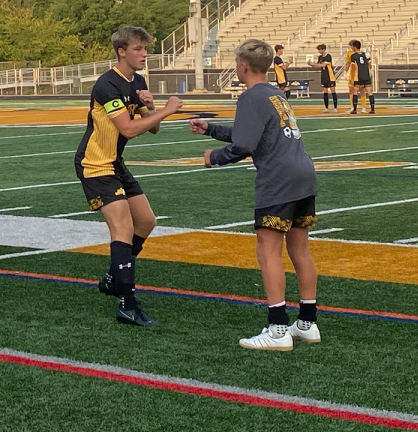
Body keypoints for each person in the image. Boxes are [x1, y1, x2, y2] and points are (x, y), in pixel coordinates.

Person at [191, 39, 320, 350]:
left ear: (243, 66)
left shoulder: (250, 97)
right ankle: (307, 323)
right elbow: (251, 132)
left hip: (278, 178)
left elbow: (244, 145)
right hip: (303, 172)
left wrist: (214, 157)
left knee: (268, 251)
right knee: (300, 250)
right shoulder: (276, 94)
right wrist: (211, 128)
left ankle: (277, 329)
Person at [74, 26, 182, 327]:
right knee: (122, 228)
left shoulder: (138, 80)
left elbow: (151, 127)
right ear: (121, 51)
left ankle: (114, 277)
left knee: (146, 221)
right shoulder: (107, 84)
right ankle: (127, 302)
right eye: (138, 48)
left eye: (145, 48)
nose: (145, 53)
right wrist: (168, 110)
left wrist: (151, 107)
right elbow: (128, 129)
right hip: (95, 163)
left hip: (114, 162)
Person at [346, 40, 375, 115]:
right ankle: (372, 109)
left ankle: (354, 109)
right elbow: (370, 65)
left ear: (355, 47)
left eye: (352, 46)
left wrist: (351, 78)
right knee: (370, 93)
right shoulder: (366, 54)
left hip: (358, 76)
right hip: (366, 76)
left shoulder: (353, 56)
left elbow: (353, 67)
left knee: (355, 92)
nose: (351, 48)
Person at [307, 44, 338, 113]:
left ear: (323, 49)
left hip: (330, 76)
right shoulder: (320, 57)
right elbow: (318, 65)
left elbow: (323, 65)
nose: (319, 51)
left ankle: (335, 107)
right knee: (325, 92)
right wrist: (311, 64)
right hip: (324, 76)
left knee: (333, 92)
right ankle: (326, 108)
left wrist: (314, 64)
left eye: (319, 49)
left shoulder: (328, 56)